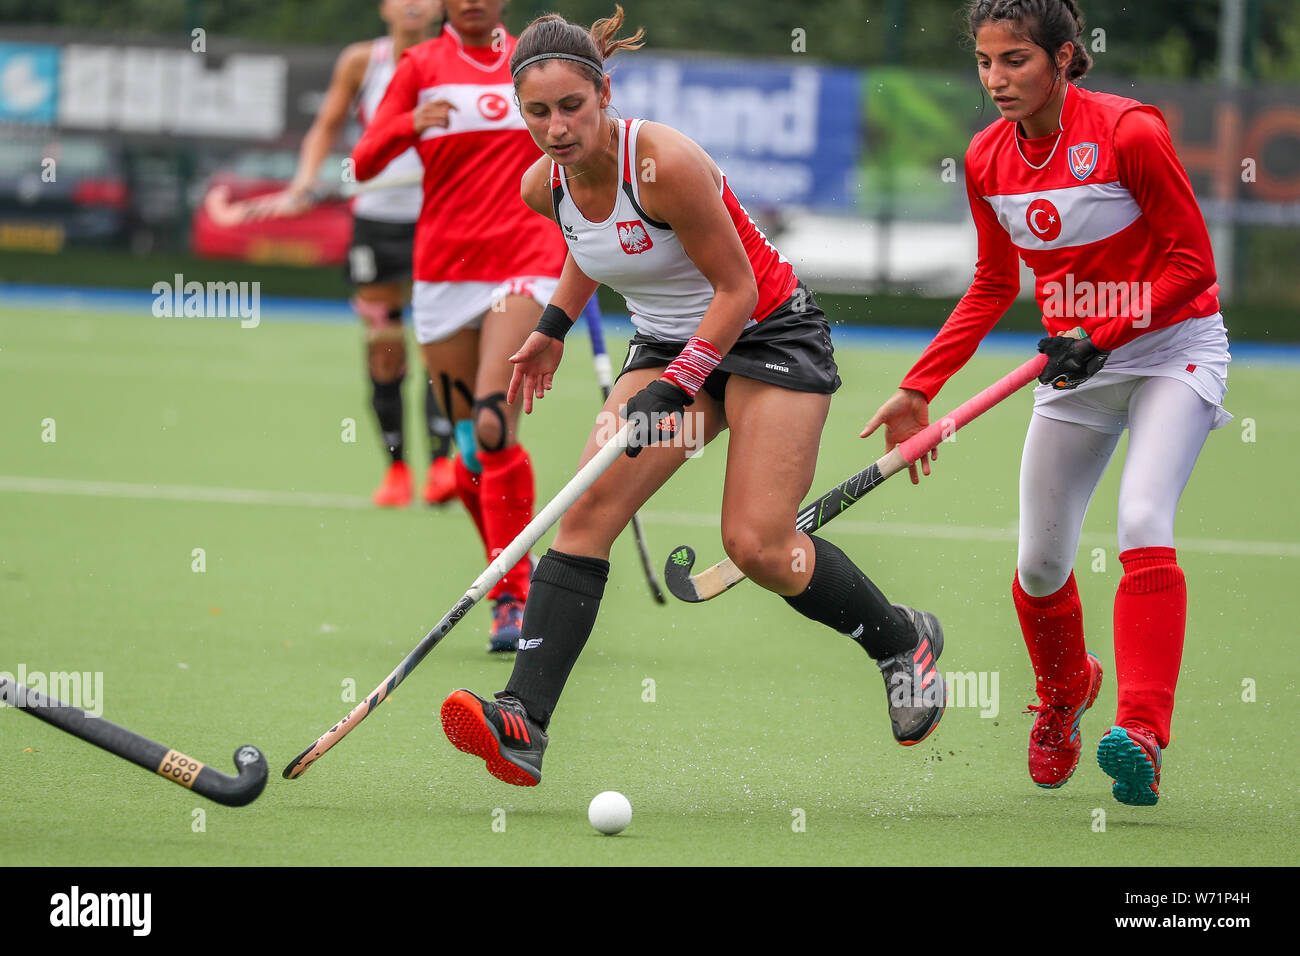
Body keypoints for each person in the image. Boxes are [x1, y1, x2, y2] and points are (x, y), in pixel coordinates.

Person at [437, 6, 947, 788]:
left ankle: (899, 641)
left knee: (758, 546)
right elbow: (590, 248)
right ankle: (523, 720)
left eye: (571, 106)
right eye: (538, 112)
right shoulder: (544, 185)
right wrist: (552, 326)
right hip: (670, 345)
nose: (557, 127)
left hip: (769, 337)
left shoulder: (662, 163)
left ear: (604, 95)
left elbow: (737, 289)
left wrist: (677, 386)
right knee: (588, 512)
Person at [863, 0, 1230, 807]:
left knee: (1143, 518)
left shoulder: (1130, 133)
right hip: (1077, 367)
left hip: (1172, 352)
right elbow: (994, 284)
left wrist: (1105, 331)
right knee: (1039, 565)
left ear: (1064, 58)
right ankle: (1067, 692)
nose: (996, 79)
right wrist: (919, 387)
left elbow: (1193, 265)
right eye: (985, 61)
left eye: (1015, 60)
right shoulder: (986, 157)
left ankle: (1140, 732)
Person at [352, 0, 568, 651]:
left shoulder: (532, 59)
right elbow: (363, 162)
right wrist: (408, 124)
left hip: (524, 262)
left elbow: (583, 137)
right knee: (471, 452)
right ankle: (512, 567)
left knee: (495, 427)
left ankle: (512, 599)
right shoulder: (420, 65)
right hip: (445, 269)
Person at [251, 0, 457, 508]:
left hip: (441, 217)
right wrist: (305, 180)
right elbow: (326, 126)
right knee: (384, 343)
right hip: (377, 220)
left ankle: (440, 464)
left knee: (442, 341)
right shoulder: (363, 62)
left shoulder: (458, 59)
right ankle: (397, 468)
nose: (413, 3)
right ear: (385, 7)